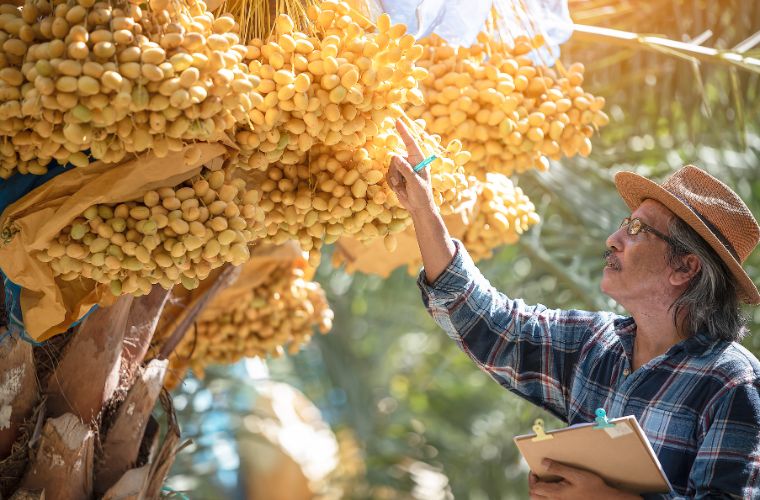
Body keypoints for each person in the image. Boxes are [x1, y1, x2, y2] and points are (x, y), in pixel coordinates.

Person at [386, 120, 760, 499]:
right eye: (623, 224)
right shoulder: (595, 344)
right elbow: (490, 322)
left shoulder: (732, 383)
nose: (613, 240)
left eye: (637, 230)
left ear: (685, 267)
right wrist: (423, 206)